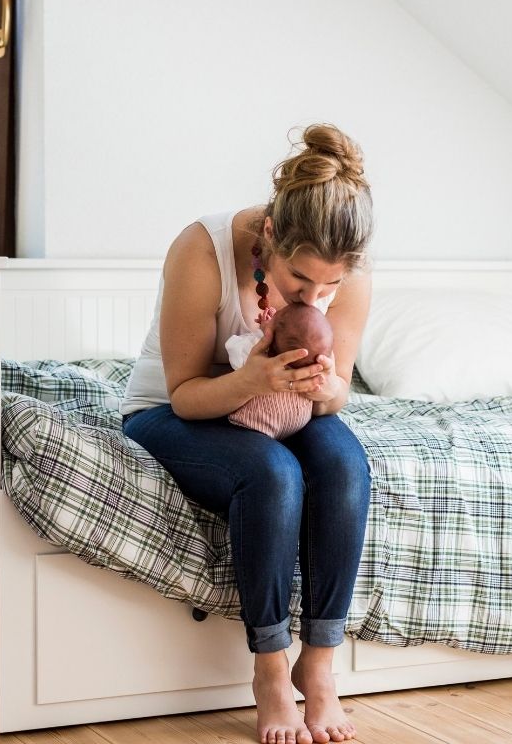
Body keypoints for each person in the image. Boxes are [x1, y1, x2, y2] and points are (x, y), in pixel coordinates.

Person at [121, 123, 373, 744]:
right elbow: (182, 393)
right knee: (272, 473)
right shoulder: (202, 250)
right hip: (175, 409)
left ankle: (318, 668)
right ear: (269, 235)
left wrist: (323, 389)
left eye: (330, 287)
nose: (316, 299)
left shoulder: (347, 273)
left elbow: (338, 392)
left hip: (284, 410)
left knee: (344, 466)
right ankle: (268, 671)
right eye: (298, 284)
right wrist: (253, 380)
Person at [226, 302, 334, 439]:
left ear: (272, 339)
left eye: (277, 316)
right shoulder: (313, 369)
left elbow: (233, 350)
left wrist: (260, 334)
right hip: (297, 424)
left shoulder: (260, 353)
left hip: (253, 426)